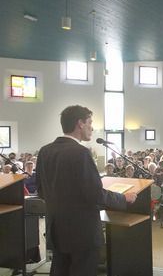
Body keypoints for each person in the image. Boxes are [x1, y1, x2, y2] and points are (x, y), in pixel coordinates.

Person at [36, 105, 137, 276]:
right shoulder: (80, 152)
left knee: (60, 270)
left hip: (57, 229)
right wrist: (123, 198)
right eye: (90, 122)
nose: (92, 127)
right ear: (80, 124)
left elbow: (41, 191)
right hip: (81, 233)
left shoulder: (45, 151)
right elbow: (95, 195)